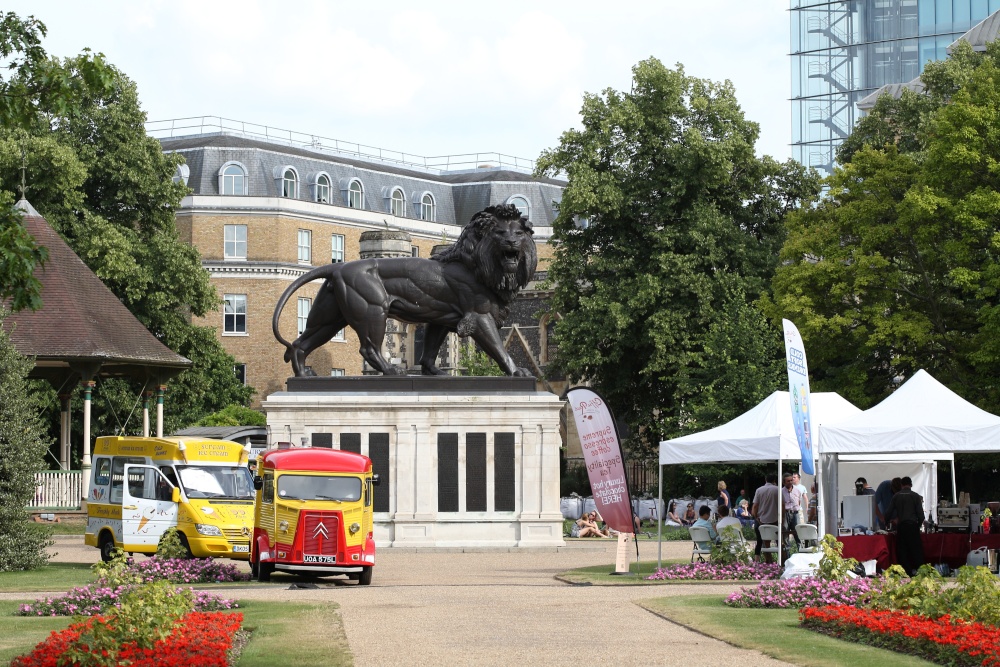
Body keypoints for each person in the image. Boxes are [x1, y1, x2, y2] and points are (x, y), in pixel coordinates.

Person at [885, 476, 925, 575]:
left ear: (901, 485)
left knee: (902, 551)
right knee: (916, 550)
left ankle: (906, 572)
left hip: (901, 527)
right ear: (911, 484)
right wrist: (918, 525)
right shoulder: (916, 496)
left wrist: (886, 523)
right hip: (913, 526)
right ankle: (920, 572)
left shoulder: (896, 496)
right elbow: (921, 516)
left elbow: (888, 512)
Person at [752, 474, 779, 562]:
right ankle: (781, 560)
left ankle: (760, 561)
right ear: (774, 480)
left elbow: (755, 505)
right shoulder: (778, 489)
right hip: (775, 520)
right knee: (779, 541)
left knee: (760, 541)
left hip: (761, 520)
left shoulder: (759, 490)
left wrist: (756, 516)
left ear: (765, 479)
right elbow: (782, 505)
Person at [782, 474, 802, 546]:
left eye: (791, 480)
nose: (790, 482)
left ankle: (800, 549)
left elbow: (799, 501)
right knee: (785, 533)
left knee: (798, 533)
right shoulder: (781, 491)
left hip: (795, 513)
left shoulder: (797, 490)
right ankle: (787, 551)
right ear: (784, 482)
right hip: (786, 513)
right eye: (788, 481)